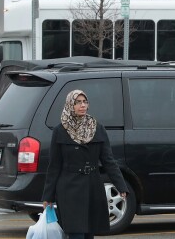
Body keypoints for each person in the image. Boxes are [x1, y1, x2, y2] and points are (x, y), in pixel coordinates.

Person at [42, 90, 129, 239]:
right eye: (78, 102)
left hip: (92, 187)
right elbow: (54, 166)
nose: (82, 105)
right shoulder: (60, 131)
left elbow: (108, 160)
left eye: (85, 102)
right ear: (70, 105)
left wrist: (121, 186)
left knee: (89, 233)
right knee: (76, 233)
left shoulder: (96, 128)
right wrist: (48, 196)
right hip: (69, 189)